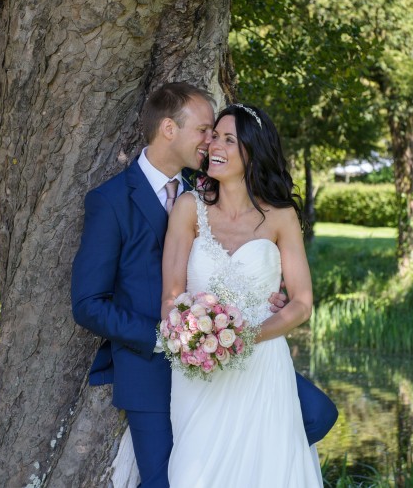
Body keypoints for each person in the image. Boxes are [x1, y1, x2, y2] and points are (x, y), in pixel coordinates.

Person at [71, 83, 336, 487]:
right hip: (156, 358)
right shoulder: (113, 201)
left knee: (310, 421)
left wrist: (260, 305)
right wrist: (176, 335)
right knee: (172, 480)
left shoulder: (207, 180)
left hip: (244, 353)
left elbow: (294, 294)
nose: (212, 141)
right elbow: (89, 303)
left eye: (221, 136)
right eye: (206, 131)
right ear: (168, 130)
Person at [160, 103, 323, 486]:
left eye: (229, 139)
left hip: (263, 368)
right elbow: (171, 295)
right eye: (214, 135)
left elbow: (301, 302)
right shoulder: (188, 208)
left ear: (253, 152)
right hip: (198, 371)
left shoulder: (281, 217)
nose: (214, 144)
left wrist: (246, 337)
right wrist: (192, 336)